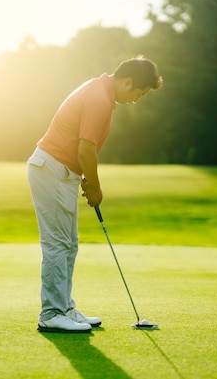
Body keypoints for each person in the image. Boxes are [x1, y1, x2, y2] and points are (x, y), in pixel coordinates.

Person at [27, 56, 163, 333]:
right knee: (57, 244)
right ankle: (51, 313)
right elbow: (85, 149)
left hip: (60, 172)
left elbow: (83, 151)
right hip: (52, 168)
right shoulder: (100, 97)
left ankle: (64, 308)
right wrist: (96, 187)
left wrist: (87, 180)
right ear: (127, 82)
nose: (137, 99)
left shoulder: (100, 92)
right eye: (139, 93)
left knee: (69, 244)